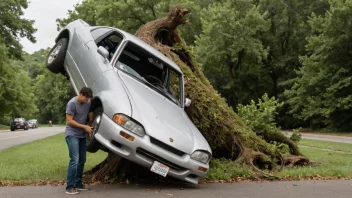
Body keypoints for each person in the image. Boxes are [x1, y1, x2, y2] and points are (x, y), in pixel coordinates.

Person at [65, 87, 93, 195]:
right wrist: (84, 127)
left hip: (81, 135)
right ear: (81, 94)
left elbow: (89, 112)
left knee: (82, 159)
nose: (87, 101)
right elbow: (69, 121)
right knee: (75, 160)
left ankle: (78, 184)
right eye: (86, 99)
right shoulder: (72, 104)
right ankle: (70, 187)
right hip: (72, 134)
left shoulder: (88, 101)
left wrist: (89, 124)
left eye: (88, 99)